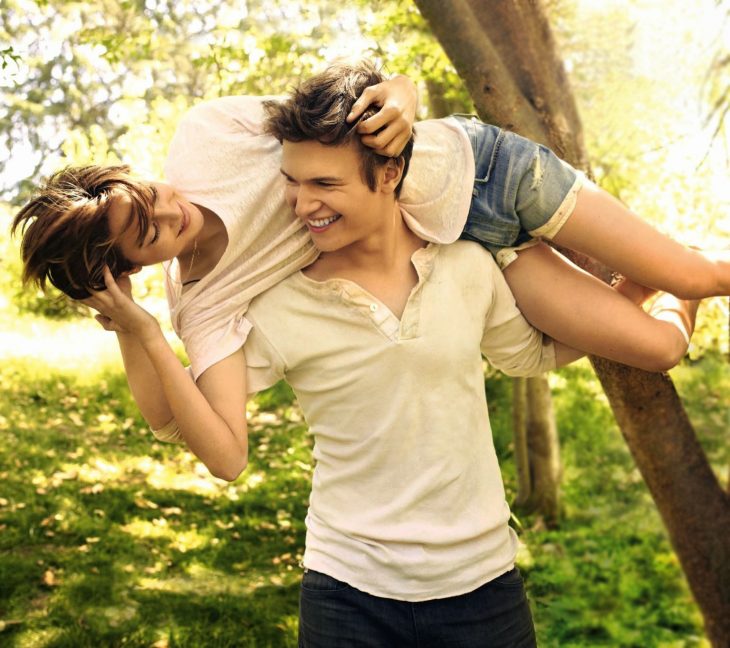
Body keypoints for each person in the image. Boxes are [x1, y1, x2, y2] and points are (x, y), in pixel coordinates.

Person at [11, 60, 713, 454]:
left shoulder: (207, 137)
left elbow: (332, 110)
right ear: (132, 268)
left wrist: (403, 93)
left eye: (150, 194)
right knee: (656, 348)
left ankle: (682, 269)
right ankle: (664, 283)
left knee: (691, 273)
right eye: (150, 233)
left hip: (484, 174)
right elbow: (197, 437)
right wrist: (137, 329)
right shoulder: (205, 303)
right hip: (466, 246)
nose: (173, 209)